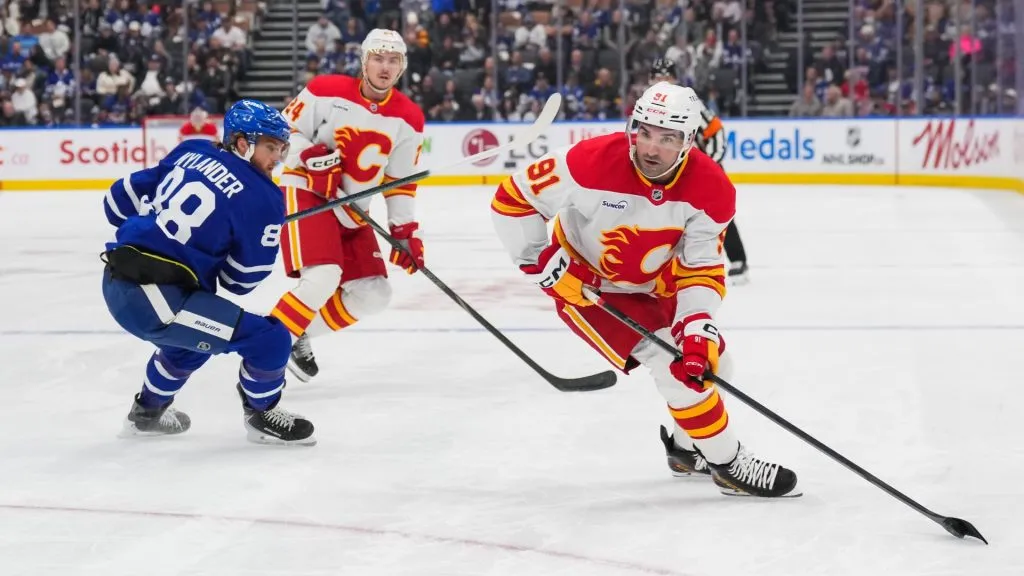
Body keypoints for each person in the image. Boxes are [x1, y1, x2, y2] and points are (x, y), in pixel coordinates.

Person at [490, 82, 799, 497]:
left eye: (668, 138)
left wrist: (696, 325)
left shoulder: (712, 189)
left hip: (656, 280)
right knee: (669, 362)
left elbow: (702, 267)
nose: (651, 148)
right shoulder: (587, 162)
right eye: (646, 132)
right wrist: (541, 263)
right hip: (587, 282)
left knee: (713, 363)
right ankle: (729, 464)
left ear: (689, 141)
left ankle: (688, 451)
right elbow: (513, 199)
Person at [101, 99, 317, 446]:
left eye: (281, 148)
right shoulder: (264, 196)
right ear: (243, 143)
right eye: (271, 147)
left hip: (117, 278)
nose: (277, 157)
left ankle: (146, 415)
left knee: (193, 345)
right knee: (271, 338)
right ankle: (262, 414)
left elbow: (115, 203)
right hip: (158, 300)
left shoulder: (193, 150)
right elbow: (240, 281)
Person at [271, 28, 426, 382]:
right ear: (364, 61)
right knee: (323, 277)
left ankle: (296, 333)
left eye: (393, 60)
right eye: (378, 58)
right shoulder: (326, 89)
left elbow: (399, 181)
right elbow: (281, 133)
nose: (384, 67)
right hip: (307, 190)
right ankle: (263, 352)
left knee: (374, 294)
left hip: (353, 208)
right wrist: (310, 158)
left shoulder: (409, 117)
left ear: (401, 67)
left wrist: (404, 230)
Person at [651, 58, 749, 284]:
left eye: (665, 76)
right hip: (672, 171)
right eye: (656, 77)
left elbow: (716, 132)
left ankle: (738, 260)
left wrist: (711, 164)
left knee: (717, 214)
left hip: (697, 169)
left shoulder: (689, 102)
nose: (660, 81)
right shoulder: (652, 106)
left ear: (674, 78)